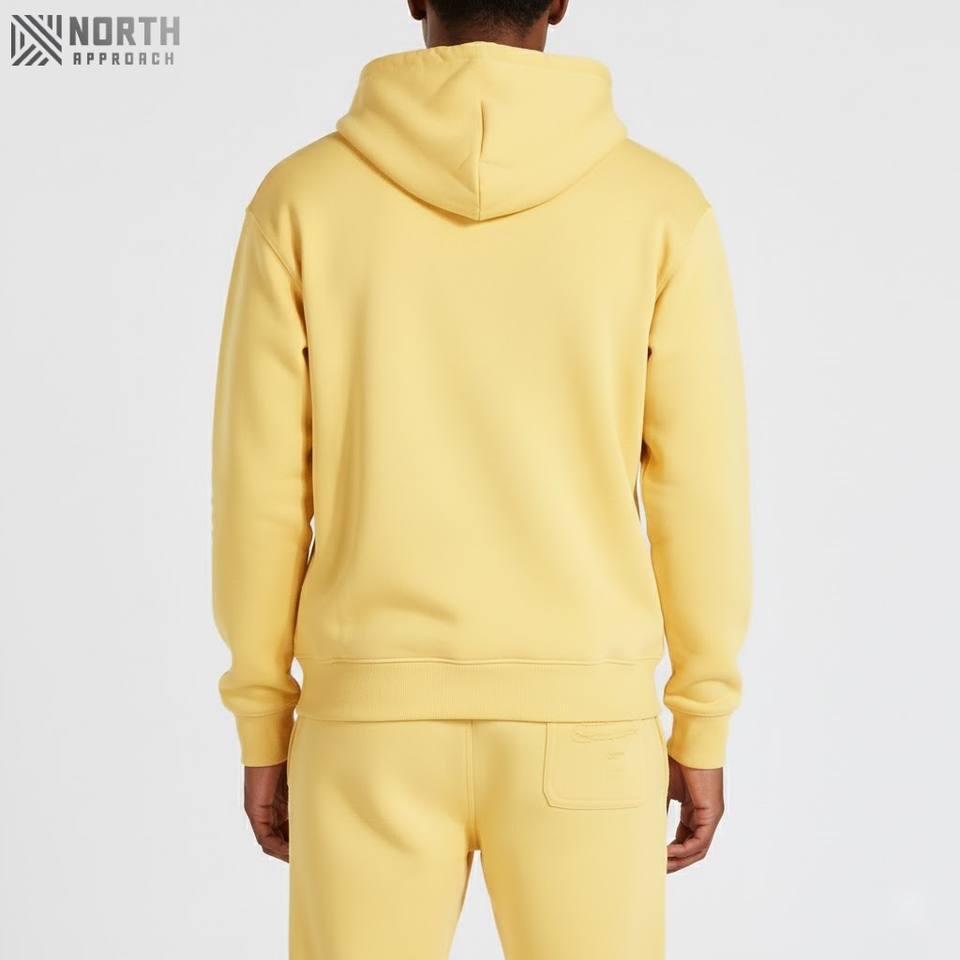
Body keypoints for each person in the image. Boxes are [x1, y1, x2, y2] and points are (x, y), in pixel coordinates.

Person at [210, 1, 752, 956]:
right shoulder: (660, 208)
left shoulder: (301, 201)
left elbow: (259, 489)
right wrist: (700, 720)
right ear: (560, 2)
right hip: (586, 720)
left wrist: (265, 716)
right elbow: (700, 492)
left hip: (368, 720)